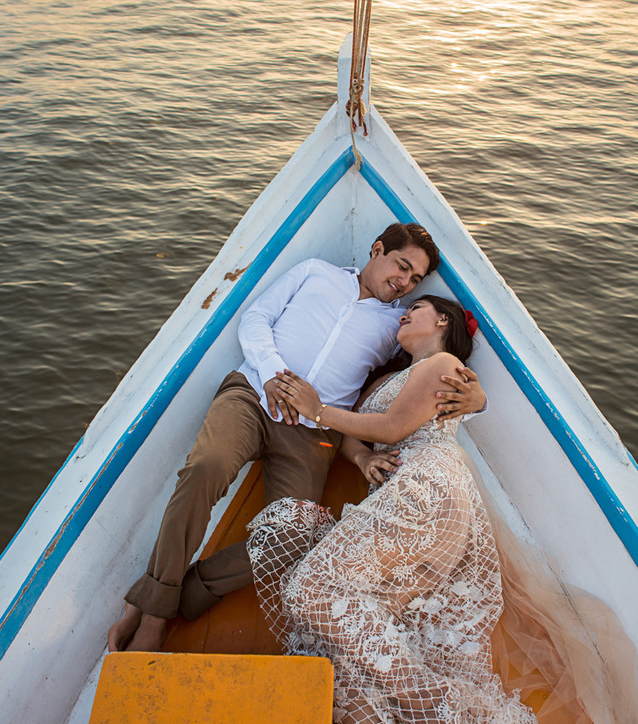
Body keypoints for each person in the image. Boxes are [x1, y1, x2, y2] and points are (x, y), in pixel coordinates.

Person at [253, 297, 638, 724]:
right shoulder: (391, 380)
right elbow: (360, 433)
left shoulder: (443, 363)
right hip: (410, 494)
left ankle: (430, 703)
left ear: (442, 320)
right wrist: (362, 459)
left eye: (417, 306)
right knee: (348, 636)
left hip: (426, 485)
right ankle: (421, 707)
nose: (405, 312)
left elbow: (391, 428)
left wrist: (317, 410)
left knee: (310, 588)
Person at [107, 223, 488, 653]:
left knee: (292, 538)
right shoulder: (315, 272)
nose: (404, 282)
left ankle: (177, 593)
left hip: (313, 435)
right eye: (402, 267)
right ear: (377, 249)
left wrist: (476, 398)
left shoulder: (395, 327)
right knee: (204, 469)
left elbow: (421, 377)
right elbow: (255, 319)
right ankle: (155, 616)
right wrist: (272, 374)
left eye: (415, 279)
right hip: (253, 393)